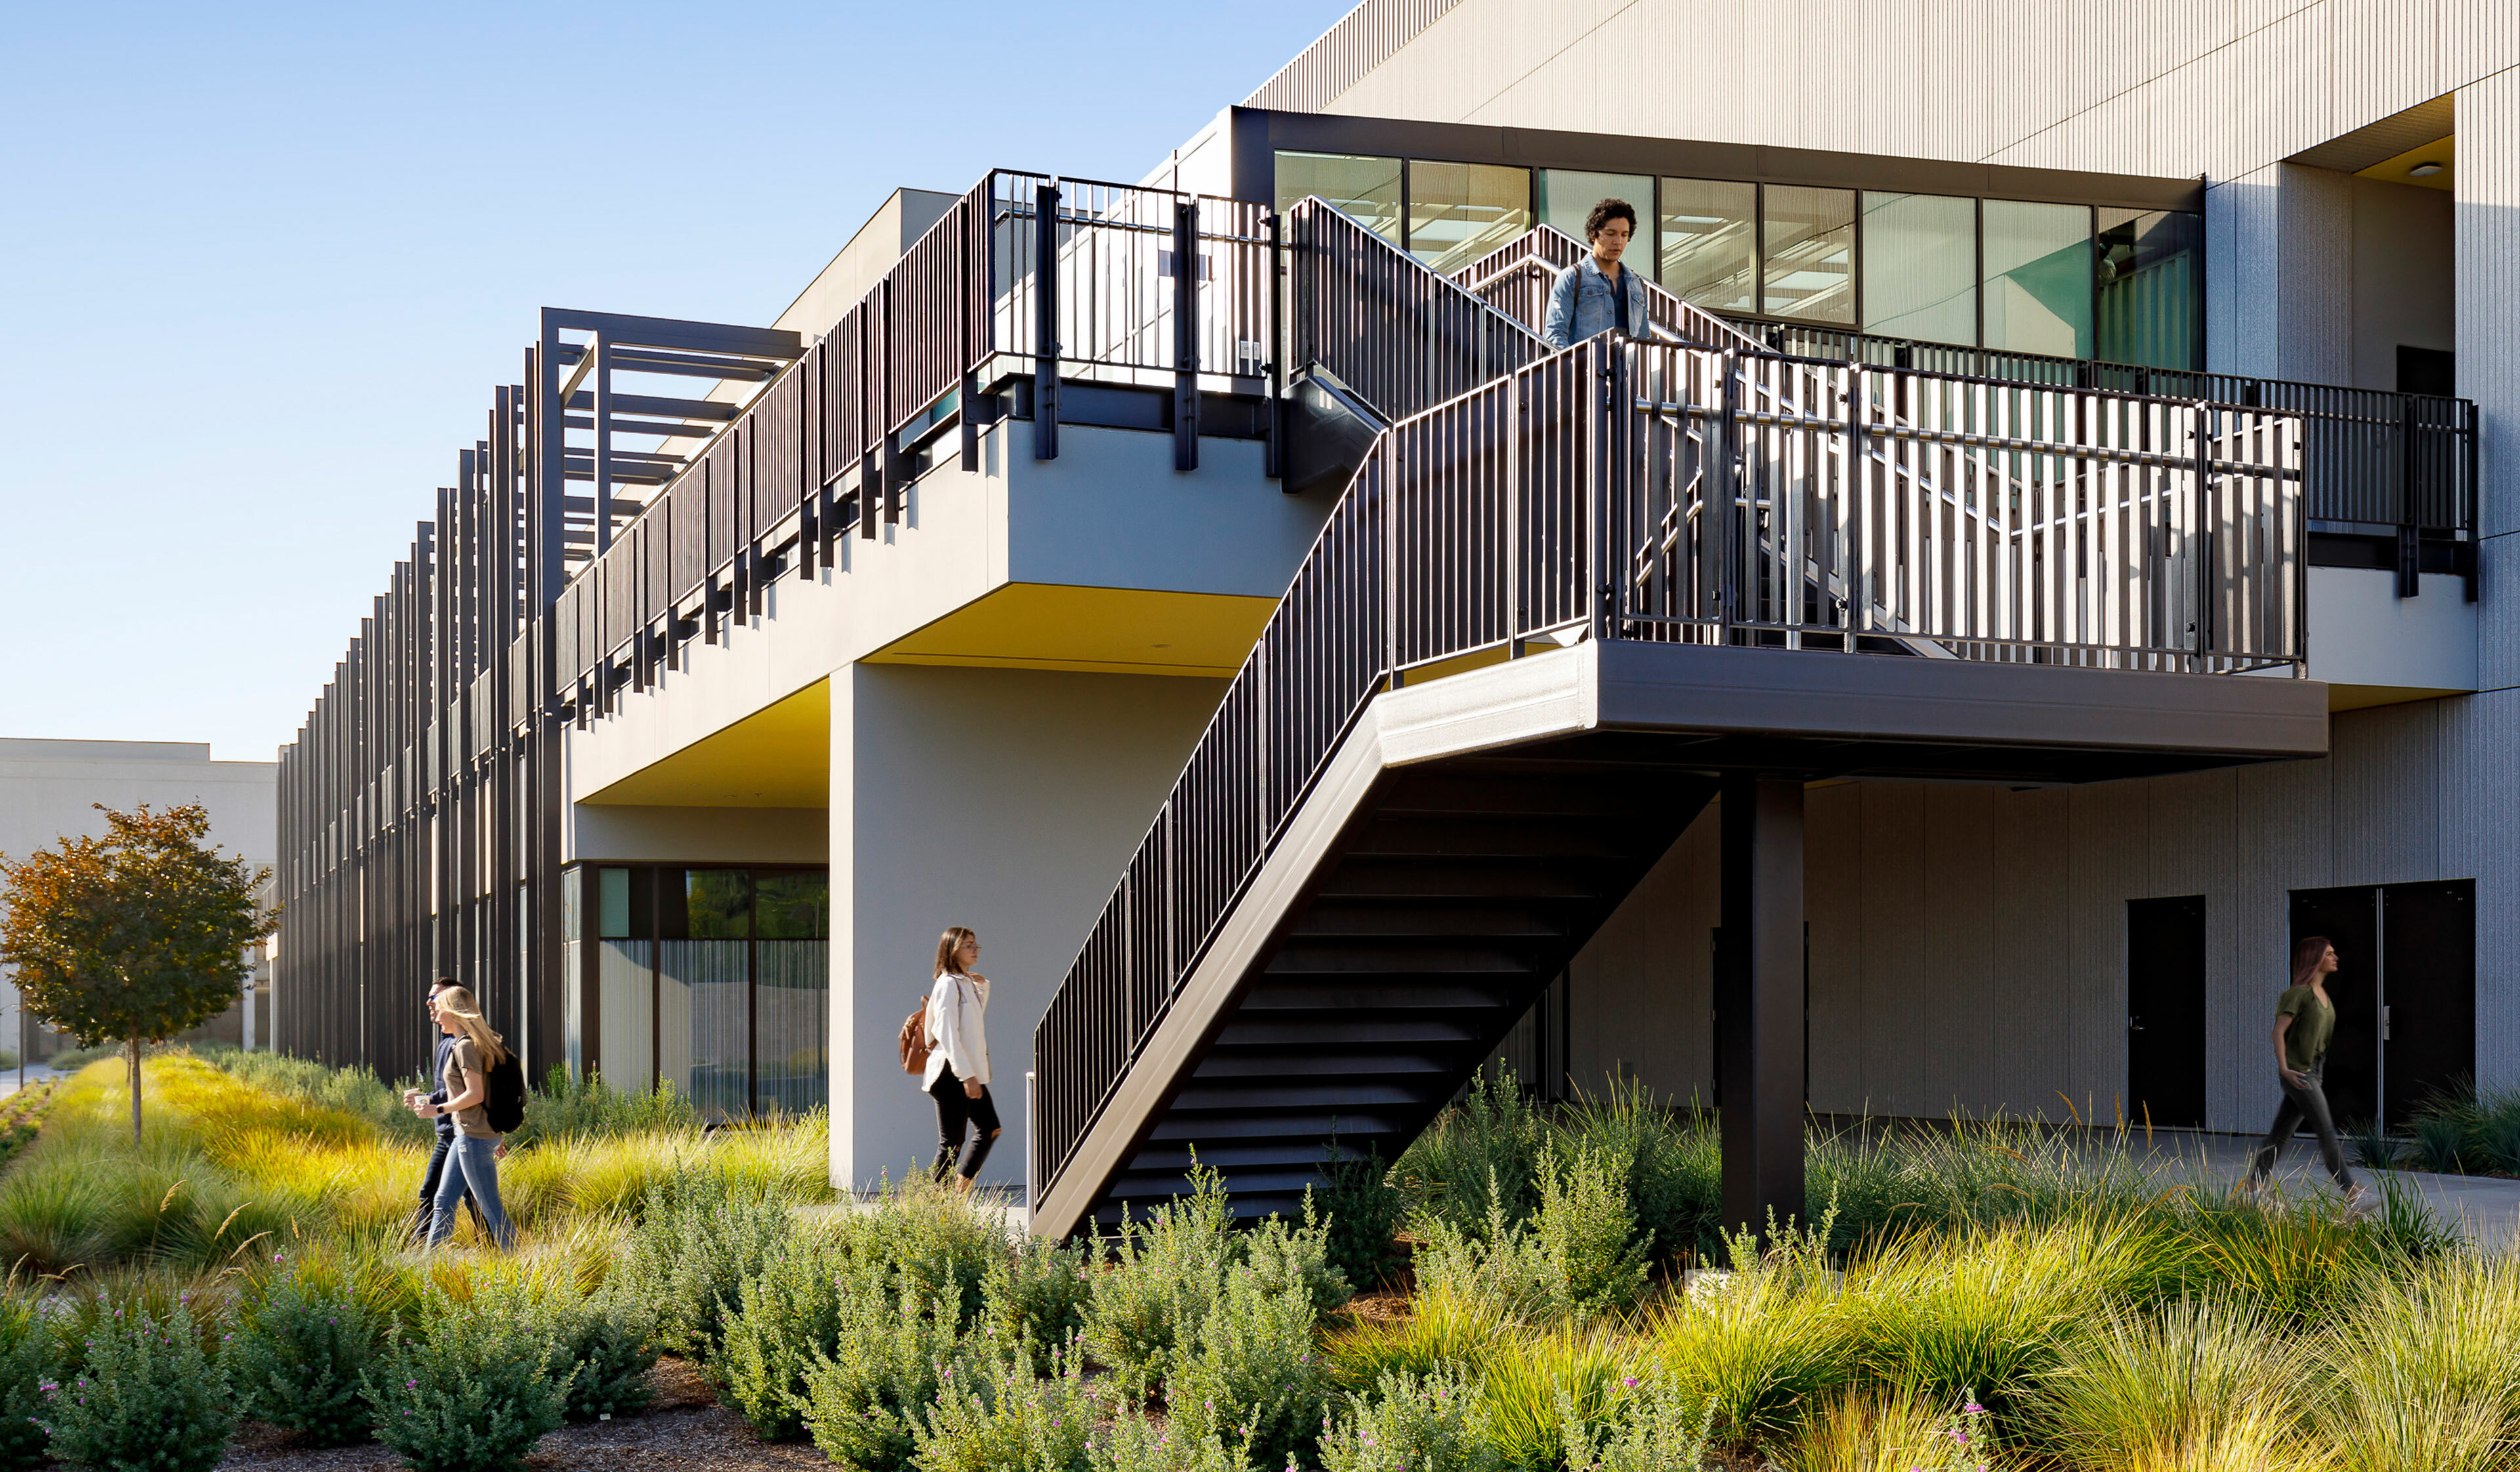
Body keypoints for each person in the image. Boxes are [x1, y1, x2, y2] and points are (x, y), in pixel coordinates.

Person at [2240, 935, 2368, 1208]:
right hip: (2299, 1073)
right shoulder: (2298, 993)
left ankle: (2253, 1189)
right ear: (2315, 958)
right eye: (2329, 953)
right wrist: (2284, 1068)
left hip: (2315, 1071)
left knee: (2279, 1135)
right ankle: (2353, 1194)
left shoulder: (2324, 997)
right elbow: (2278, 1032)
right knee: (2326, 1131)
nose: (2335, 958)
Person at [407, 984, 517, 1248]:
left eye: (439, 1006)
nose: (434, 1011)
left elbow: (476, 1094)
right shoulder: (466, 1043)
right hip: (467, 1134)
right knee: (442, 1200)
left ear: (453, 1011)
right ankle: (432, 1264)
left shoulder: (466, 1046)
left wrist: (438, 1109)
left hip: (473, 1137)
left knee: (488, 1205)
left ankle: (516, 1258)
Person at [401, 979, 482, 1245]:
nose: (429, 1003)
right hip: (450, 1131)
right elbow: (451, 1088)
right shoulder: (448, 1038)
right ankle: (496, 1250)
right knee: (456, 1196)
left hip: (461, 1131)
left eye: (435, 997)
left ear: (452, 1002)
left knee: (451, 1196)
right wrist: (426, 1099)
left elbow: (472, 1091)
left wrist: (434, 1105)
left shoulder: (462, 1043)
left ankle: (423, 1252)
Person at [923, 925, 999, 1194]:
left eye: (976, 945)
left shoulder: (965, 982)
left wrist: (982, 987)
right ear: (952, 950)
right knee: (952, 1143)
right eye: (968, 945)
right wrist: (967, 1076)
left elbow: (973, 1024)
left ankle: (955, 1195)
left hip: (965, 1070)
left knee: (989, 1129)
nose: (975, 950)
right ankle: (936, 1203)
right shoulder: (947, 984)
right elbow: (947, 1033)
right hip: (950, 1072)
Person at [1542, 198, 1652, 349]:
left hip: (1628, 364)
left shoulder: (1636, 283)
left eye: (1624, 235)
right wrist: (1577, 363)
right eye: (1611, 234)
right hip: (1586, 363)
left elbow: (1644, 341)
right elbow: (1554, 335)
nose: (1618, 241)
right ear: (1594, 234)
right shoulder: (1572, 278)